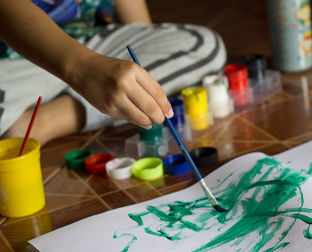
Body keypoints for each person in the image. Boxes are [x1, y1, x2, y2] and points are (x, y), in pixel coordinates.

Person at [0, 0, 226, 144]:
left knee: (203, 45)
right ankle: (83, 95)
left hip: (93, 43)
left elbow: (139, 28)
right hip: (13, 63)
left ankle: (43, 121)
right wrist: (82, 69)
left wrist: (143, 67)